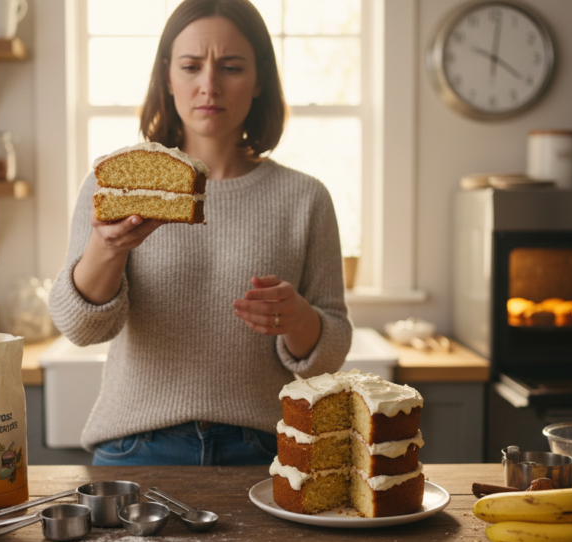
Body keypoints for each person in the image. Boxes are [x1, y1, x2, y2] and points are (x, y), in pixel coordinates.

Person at [49, 0, 352, 465]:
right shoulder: (119, 183)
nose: (209, 85)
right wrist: (105, 248)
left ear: (260, 80)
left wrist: (297, 318)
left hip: (266, 452)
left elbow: (330, 352)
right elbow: (80, 328)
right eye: (191, 66)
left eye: (231, 67)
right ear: (167, 77)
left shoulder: (305, 198)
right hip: (135, 447)